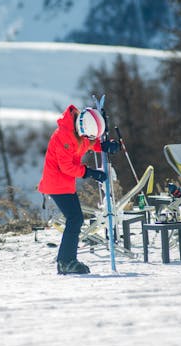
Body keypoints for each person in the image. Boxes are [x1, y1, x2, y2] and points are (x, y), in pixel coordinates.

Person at [38, 105, 120, 274]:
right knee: (75, 219)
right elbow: (67, 167)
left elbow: (87, 143)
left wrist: (103, 146)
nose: (89, 139)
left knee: (75, 219)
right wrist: (90, 172)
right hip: (56, 184)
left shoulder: (76, 129)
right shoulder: (64, 137)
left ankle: (66, 260)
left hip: (64, 184)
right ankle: (66, 261)